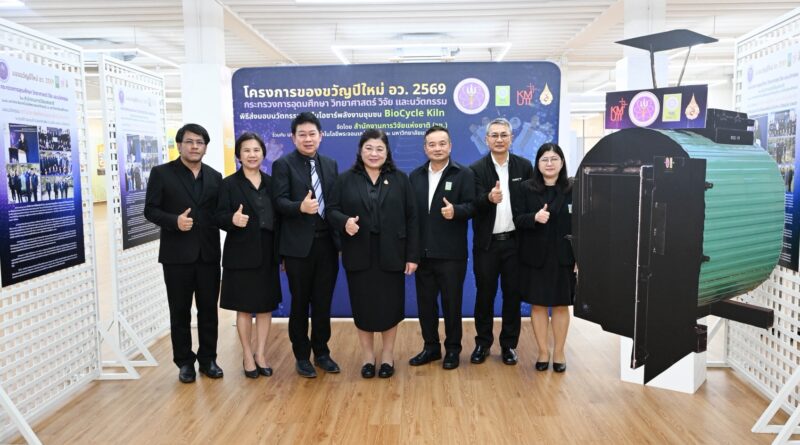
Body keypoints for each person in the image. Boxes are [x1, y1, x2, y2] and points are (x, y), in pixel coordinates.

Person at [328, 129, 419, 379]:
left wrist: (412, 256)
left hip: (392, 253)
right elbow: (331, 210)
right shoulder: (346, 179)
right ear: (360, 151)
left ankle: (387, 355)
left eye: (380, 149)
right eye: (369, 148)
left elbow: (412, 218)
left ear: (387, 152)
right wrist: (345, 222)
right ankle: (368, 357)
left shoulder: (400, 179)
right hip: (359, 253)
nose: (374, 153)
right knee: (363, 307)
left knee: (390, 307)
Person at [144, 123, 223, 383]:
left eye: (200, 142)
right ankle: (185, 362)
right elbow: (150, 210)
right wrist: (174, 221)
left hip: (208, 255)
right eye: (189, 142)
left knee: (209, 311)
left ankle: (208, 359)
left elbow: (218, 213)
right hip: (176, 256)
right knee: (179, 312)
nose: (194, 147)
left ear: (205, 147)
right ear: (179, 145)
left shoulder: (215, 176)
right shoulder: (162, 173)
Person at [272, 112, 340, 378]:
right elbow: (278, 201)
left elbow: (334, 203)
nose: (308, 139)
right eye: (302, 135)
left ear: (321, 136)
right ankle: (302, 356)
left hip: (327, 245)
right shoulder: (283, 165)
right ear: (293, 138)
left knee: (323, 303)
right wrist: (299, 207)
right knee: (300, 303)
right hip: (298, 248)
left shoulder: (330, 164)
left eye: (312, 134)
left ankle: (322, 352)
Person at [216, 132, 282, 379]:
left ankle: (261, 354)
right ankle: (247, 355)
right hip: (241, 254)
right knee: (244, 308)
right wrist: (231, 220)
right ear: (238, 155)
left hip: (268, 252)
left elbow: (281, 219)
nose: (252, 155)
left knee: (265, 307)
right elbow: (217, 216)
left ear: (263, 154)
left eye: (256, 150)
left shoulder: (272, 183)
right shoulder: (228, 184)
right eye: (246, 150)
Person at [408, 126, 474, 370]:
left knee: (451, 304)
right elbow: (410, 216)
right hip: (423, 254)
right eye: (432, 144)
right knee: (426, 305)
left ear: (450, 146)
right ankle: (431, 347)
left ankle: (453, 349)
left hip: (451, 254)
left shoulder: (463, 174)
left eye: (442, 143)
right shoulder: (415, 176)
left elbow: (473, 206)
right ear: (425, 148)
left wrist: (456, 211)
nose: (437, 148)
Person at [469, 117, 533, 366]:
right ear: (486, 140)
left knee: (512, 296)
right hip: (487, 245)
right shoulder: (475, 169)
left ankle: (509, 345)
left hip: (515, 244)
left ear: (511, 138)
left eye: (503, 135)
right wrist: (488, 198)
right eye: (494, 135)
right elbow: (471, 205)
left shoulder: (524, 167)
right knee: (484, 295)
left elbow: (531, 202)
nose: (499, 139)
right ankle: (483, 343)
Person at [513, 143, 575, 373]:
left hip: (564, 256)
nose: (549, 164)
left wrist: (580, 256)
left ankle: (559, 352)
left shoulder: (573, 188)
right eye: (544, 159)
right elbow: (517, 219)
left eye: (554, 159)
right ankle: (542, 351)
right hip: (534, 256)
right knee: (538, 305)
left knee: (560, 305)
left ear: (562, 162)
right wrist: (534, 217)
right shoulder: (526, 188)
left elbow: (584, 223)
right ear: (537, 163)